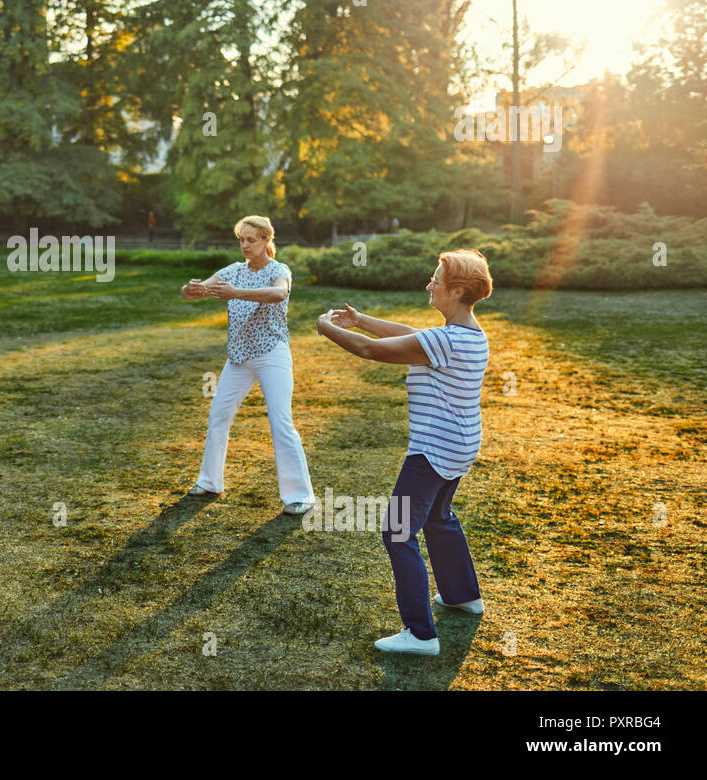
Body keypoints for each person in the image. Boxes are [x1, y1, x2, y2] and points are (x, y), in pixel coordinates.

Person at [315, 249, 492, 656]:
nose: (429, 284)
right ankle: (463, 595)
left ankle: (420, 635)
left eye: (436, 280)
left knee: (397, 531)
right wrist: (361, 320)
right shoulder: (467, 334)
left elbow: (370, 351)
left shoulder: (445, 340)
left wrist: (328, 328)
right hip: (460, 446)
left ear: (459, 290)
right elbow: (408, 331)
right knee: (438, 517)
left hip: (432, 452)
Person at [181, 215, 317, 515]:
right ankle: (209, 481)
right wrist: (191, 290)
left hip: (272, 353)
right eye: (241, 239)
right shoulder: (233, 271)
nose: (245, 245)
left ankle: (301, 496)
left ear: (267, 240)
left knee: (281, 423)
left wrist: (236, 293)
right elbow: (200, 289)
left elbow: (278, 293)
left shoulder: (279, 270)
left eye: (251, 240)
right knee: (218, 415)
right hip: (239, 358)